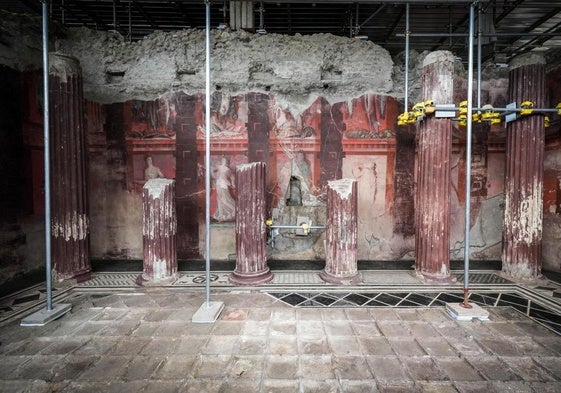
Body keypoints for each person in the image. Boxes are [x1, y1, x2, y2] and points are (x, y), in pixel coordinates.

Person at [212, 156, 236, 221]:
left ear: (226, 162)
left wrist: (233, 183)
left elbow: (232, 177)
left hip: (223, 185)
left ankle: (235, 209)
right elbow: (212, 171)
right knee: (219, 200)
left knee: (225, 200)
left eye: (225, 161)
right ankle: (220, 216)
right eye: (222, 160)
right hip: (218, 184)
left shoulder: (227, 169)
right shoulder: (219, 167)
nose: (223, 162)